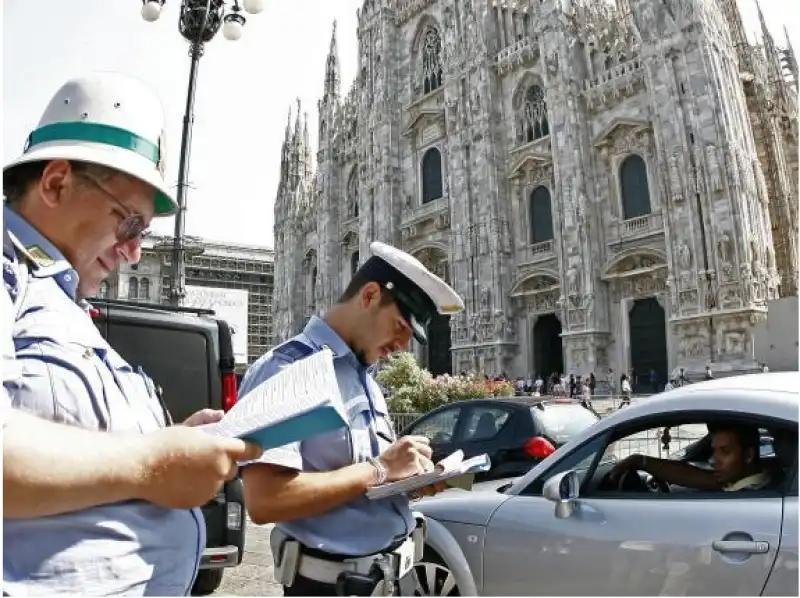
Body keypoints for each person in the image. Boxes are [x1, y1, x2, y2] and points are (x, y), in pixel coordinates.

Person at [3, 72, 263, 595]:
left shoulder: (64, 302)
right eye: (129, 225)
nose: (134, 251)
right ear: (55, 184)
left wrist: (178, 440)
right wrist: (151, 462)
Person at [240, 241, 465, 597]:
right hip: (331, 586)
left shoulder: (364, 377)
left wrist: (407, 482)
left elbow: (360, 482)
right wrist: (380, 469)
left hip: (389, 580)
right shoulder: (289, 372)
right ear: (370, 295)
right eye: (400, 325)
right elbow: (265, 500)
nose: (404, 344)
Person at [609, 424, 771, 491]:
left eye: (725, 451)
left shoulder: (745, 493)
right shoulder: (759, 477)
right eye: (713, 451)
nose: (713, 460)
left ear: (749, 455)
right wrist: (640, 461)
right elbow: (703, 478)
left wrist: (639, 461)